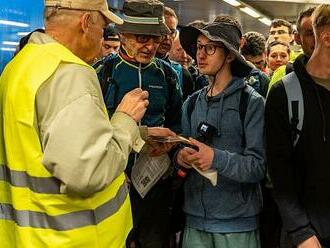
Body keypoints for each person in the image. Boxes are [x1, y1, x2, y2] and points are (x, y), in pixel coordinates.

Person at [0, 0, 173, 247]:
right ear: (86, 23)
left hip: (27, 235)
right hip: (71, 238)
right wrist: (126, 119)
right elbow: (87, 172)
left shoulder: (20, 67)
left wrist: (140, 134)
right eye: (103, 29)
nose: (103, 40)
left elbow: (47, 142)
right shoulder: (68, 73)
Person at [95, 1, 182, 247]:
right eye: (143, 38)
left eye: (156, 39)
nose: (151, 46)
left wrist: (171, 144)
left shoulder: (167, 75)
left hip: (156, 183)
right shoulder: (103, 73)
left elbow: (177, 121)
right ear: (123, 35)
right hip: (113, 180)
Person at [177, 20, 265, 248]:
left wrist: (215, 158)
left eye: (210, 48)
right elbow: (182, 150)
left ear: (229, 55)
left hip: (237, 226)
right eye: (198, 46)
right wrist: (180, 158)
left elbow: (258, 166)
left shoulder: (251, 103)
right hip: (195, 221)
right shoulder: (191, 103)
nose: (201, 55)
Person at [266, 4, 330, 247]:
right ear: (327, 37)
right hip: (304, 235)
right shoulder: (284, 93)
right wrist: (301, 232)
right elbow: (280, 175)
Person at [267, 7, 315, 92]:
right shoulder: (283, 72)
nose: (275, 36)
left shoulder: (297, 61)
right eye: (272, 33)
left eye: (281, 32)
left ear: (292, 37)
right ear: (297, 37)